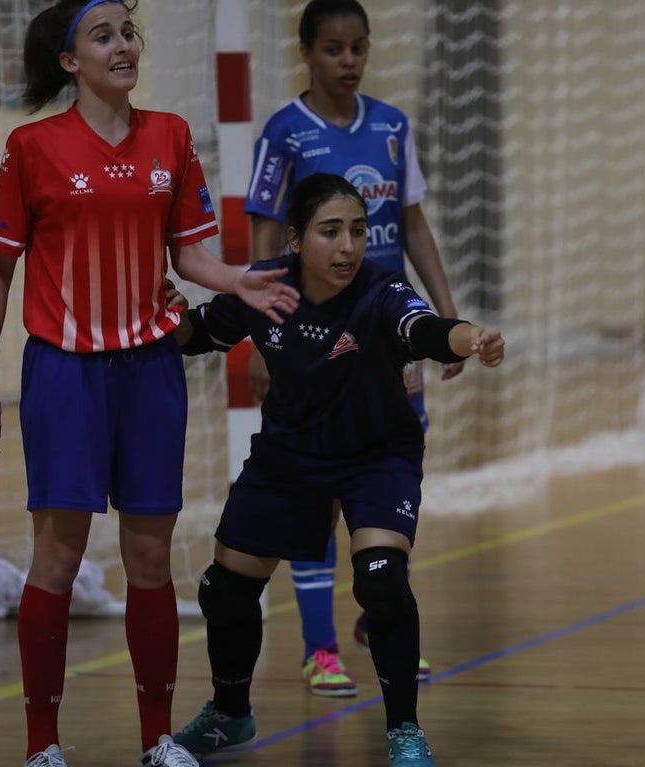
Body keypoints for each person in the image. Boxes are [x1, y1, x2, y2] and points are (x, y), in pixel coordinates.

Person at [0, 3, 298, 766]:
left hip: (151, 371)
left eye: (128, 33)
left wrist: (240, 279)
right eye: (104, 35)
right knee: (57, 558)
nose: (123, 46)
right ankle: (41, 745)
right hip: (63, 373)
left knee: (151, 561)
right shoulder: (31, 148)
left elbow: (191, 256)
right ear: (69, 61)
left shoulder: (171, 136)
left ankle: (158, 739)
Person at [170, 173, 504, 765]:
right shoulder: (265, 288)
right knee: (224, 590)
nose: (349, 246)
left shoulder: (381, 289)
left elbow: (423, 330)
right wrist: (173, 318)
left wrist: (466, 336)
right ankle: (229, 714)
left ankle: (404, 730)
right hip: (290, 456)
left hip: (375, 455)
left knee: (380, 578)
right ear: (296, 240)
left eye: (357, 231)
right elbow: (203, 333)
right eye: (331, 232)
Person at [244, 0, 458, 696]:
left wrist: (446, 316)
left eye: (359, 48)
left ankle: (381, 603)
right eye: (334, 49)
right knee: (316, 494)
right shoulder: (284, 133)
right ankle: (320, 647)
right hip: (311, 342)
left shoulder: (393, 127)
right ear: (306, 51)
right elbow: (265, 243)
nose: (349, 61)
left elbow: (415, 225)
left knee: (392, 475)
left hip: (388, 337)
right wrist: (262, 338)